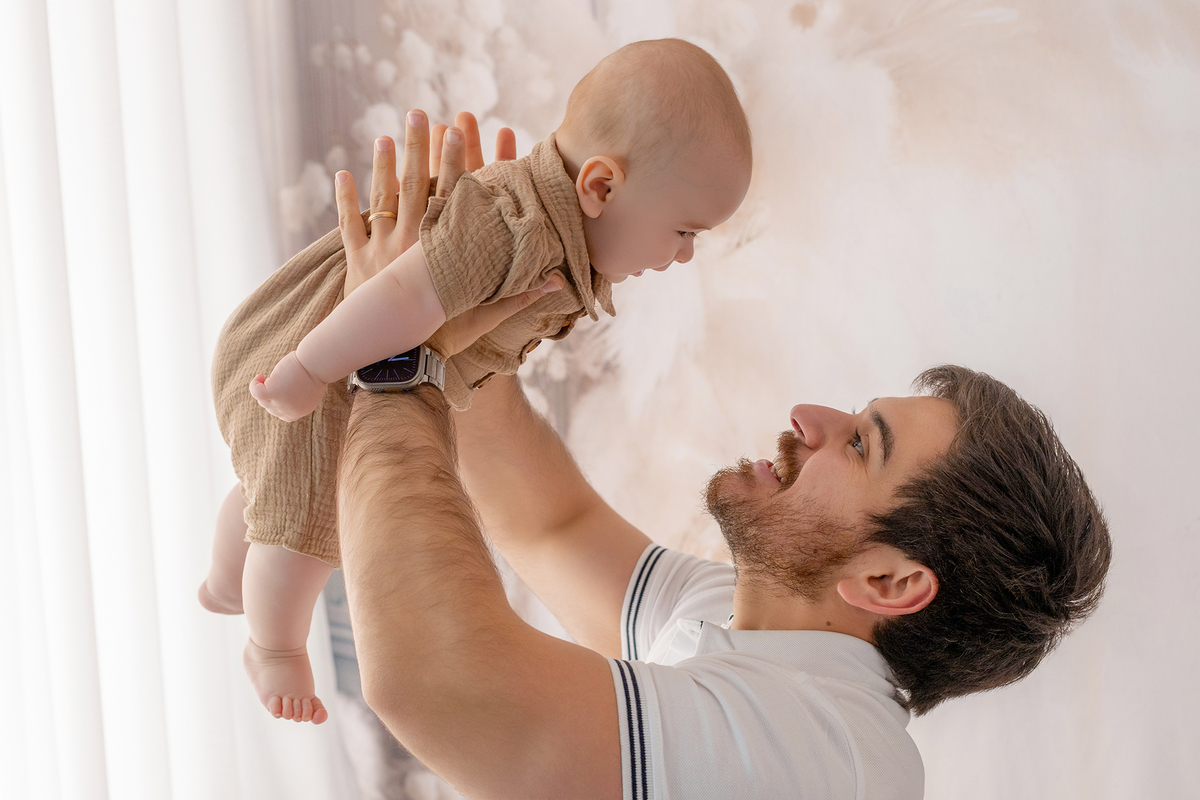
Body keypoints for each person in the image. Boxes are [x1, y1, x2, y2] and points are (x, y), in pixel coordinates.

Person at [331, 116, 1112, 798]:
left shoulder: (819, 755)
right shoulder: (762, 629)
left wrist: (393, 360)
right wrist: (459, 309)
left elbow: (436, 683)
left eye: (861, 445)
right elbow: (552, 527)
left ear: (889, 581)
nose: (811, 418)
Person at [200, 38, 753, 724]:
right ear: (602, 187)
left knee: (277, 487)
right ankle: (273, 647)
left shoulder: (561, 238)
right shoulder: (517, 225)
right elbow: (400, 296)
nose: (683, 255)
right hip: (316, 355)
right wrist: (308, 370)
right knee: (308, 528)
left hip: (338, 360)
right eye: (682, 231)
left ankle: (228, 580)